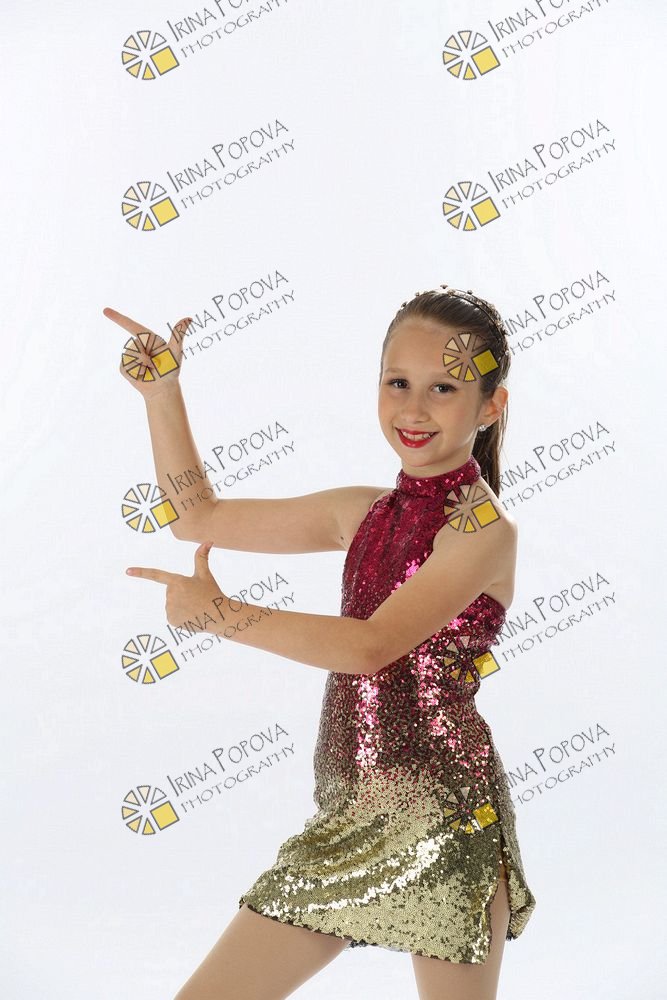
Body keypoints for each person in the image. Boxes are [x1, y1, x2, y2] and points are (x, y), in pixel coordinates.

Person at [103, 284, 536, 1000]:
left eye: (444, 387)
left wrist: (221, 615)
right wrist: (161, 394)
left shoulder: (482, 531)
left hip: (444, 817)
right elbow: (196, 516)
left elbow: (370, 647)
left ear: (491, 406)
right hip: (346, 819)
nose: (413, 409)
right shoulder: (361, 512)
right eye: (397, 382)